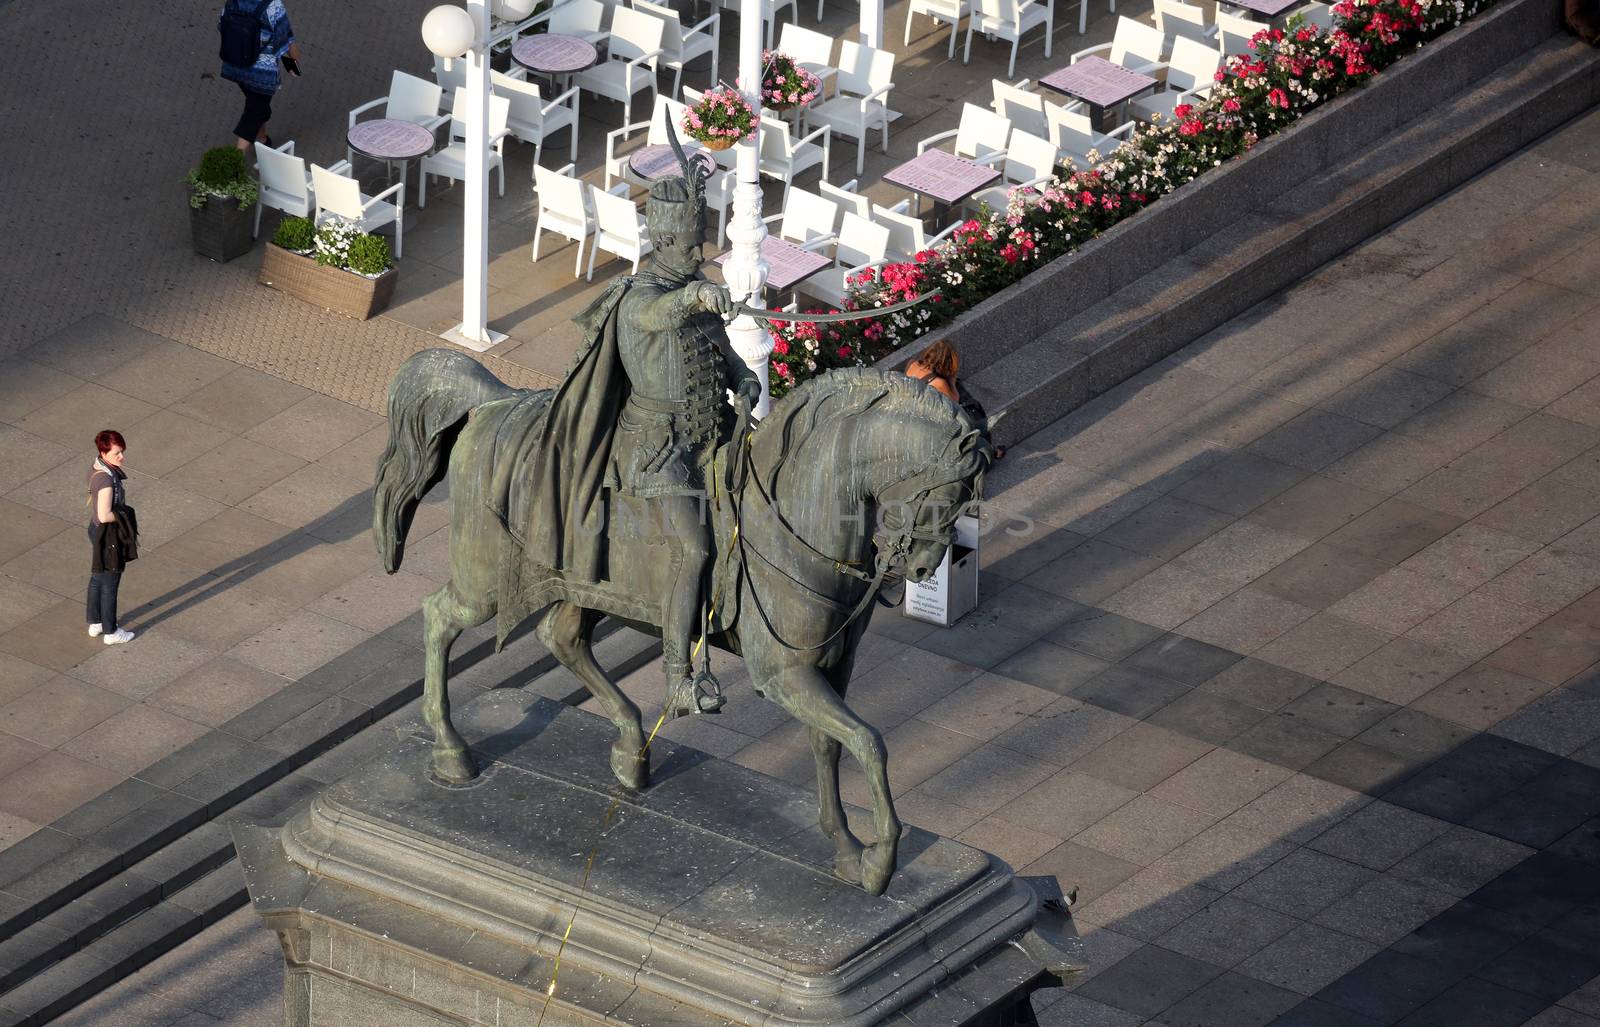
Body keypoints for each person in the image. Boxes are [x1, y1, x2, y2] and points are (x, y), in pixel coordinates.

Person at [500, 130, 761, 720]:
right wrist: (697, 296)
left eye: (701, 244)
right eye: (692, 244)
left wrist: (745, 384)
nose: (700, 253)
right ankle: (677, 677)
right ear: (666, 239)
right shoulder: (638, 296)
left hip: (712, 434)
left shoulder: (696, 291)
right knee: (693, 550)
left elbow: (731, 359)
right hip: (655, 450)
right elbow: (662, 313)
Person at [219, 0, 300, 154]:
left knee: (258, 105)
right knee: (253, 114)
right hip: (262, 76)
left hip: (235, 67)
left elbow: (222, 26)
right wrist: (294, 66)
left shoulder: (233, 2)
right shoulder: (273, 6)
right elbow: (286, 41)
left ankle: (263, 139)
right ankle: (235, 162)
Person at [87, 431, 138, 645]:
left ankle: (95, 622)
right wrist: (124, 514)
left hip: (95, 530)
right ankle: (111, 631)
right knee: (110, 581)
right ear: (103, 452)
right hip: (108, 535)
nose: (121, 457)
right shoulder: (107, 480)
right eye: (117, 453)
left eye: (122, 452)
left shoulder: (97, 468)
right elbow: (104, 514)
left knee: (98, 576)